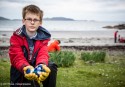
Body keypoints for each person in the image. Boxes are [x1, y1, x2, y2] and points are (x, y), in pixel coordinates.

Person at [9, 5, 57, 87]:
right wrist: (26, 67)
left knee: (51, 67)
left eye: (35, 20)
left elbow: (43, 53)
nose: (32, 22)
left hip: (35, 66)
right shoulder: (16, 37)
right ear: (23, 21)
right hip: (21, 70)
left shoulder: (44, 37)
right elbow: (16, 57)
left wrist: (41, 64)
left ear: (40, 22)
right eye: (29, 19)